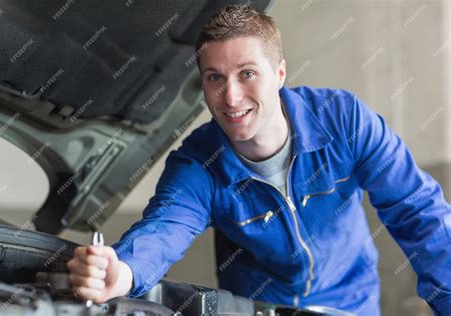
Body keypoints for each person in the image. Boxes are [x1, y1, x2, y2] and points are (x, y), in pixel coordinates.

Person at [67, 5, 451, 314]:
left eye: (247, 73)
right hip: (260, 309)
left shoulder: (345, 121)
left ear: (280, 72)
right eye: (215, 78)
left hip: (352, 305)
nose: (230, 97)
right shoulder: (199, 164)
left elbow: (419, 212)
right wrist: (124, 271)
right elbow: (164, 230)